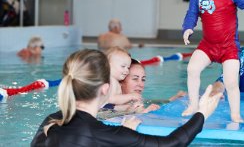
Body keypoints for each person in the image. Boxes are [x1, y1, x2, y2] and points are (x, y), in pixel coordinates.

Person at [31, 49, 223, 146]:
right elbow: (172, 143)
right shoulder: (105, 134)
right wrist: (202, 113)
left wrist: (121, 135)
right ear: (106, 88)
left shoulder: (51, 121)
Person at [120, 59, 187, 114]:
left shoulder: (135, 101)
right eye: (135, 79)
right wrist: (145, 113)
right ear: (121, 81)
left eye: (143, 79)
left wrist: (170, 100)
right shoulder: (112, 102)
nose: (141, 84)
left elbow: (148, 102)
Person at [105, 47, 142, 112]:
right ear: (109, 65)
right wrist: (131, 96)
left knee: (131, 107)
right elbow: (111, 99)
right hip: (104, 109)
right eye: (123, 66)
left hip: (108, 108)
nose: (127, 71)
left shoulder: (113, 80)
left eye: (128, 67)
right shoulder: (111, 80)